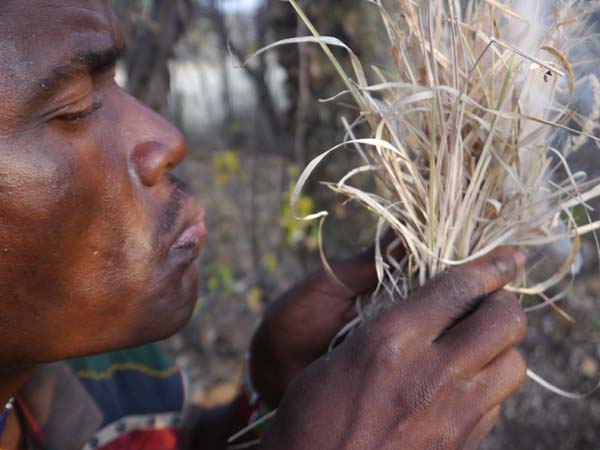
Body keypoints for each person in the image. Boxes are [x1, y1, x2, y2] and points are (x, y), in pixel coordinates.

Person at [0, 1, 528, 449]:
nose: (167, 138)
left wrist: (270, 399)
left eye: (113, 84)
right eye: (73, 108)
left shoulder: (105, 377)